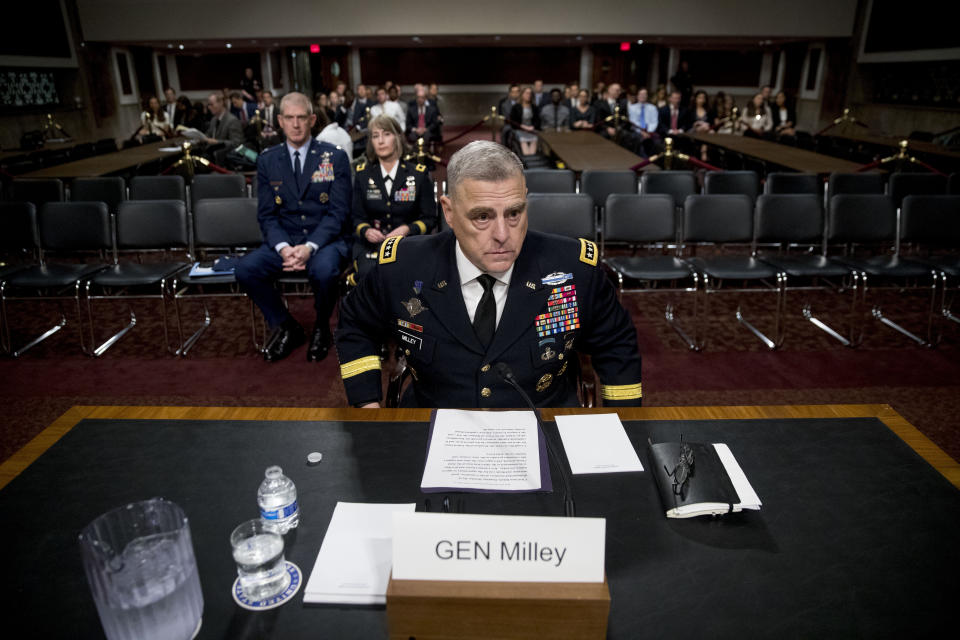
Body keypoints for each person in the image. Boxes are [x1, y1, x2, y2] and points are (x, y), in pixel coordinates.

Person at [335, 140, 643, 408]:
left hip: (543, 422)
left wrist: (623, 423)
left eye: (514, 213)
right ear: (449, 211)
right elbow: (355, 324)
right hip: (433, 421)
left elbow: (617, 342)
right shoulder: (402, 267)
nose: (502, 235)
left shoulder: (574, 269)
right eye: (482, 216)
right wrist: (366, 403)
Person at [235, 92, 351, 363]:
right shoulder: (267, 160)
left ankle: (322, 326)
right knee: (245, 269)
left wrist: (310, 247)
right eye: (290, 118)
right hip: (284, 241)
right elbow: (266, 215)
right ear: (280, 121)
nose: (296, 124)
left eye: (301, 118)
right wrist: (285, 248)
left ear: (312, 120)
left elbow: (338, 213)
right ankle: (288, 326)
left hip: (324, 241)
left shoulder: (334, 157)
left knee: (325, 271)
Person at [351, 114, 436, 281]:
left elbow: (430, 218)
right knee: (369, 276)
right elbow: (356, 217)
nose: (381, 141)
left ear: (398, 137)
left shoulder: (418, 174)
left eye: (387, 134)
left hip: (409, 245)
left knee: (407, 277)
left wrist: (407, 229)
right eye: (375, 136)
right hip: (371, 248)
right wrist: (366, 230)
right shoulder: (362, 174)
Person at [509, 86, 540, 155]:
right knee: (526, 152)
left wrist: (532, 127)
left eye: (530, 93)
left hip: (531, 131)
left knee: (532, 150)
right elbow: (512, 122)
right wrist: (522, 126)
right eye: (527, 93)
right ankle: (527, 162)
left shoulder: (534, 107)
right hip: (520, 130)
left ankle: (532, 163)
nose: (529, 95)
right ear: (522, 94)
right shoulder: (516, 107)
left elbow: (538, 121)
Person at [627, 87, 658, 155]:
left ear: (647, 96)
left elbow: (654, 122)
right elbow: (633, 122)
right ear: (637, 96)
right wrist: (642, 132)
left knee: (656, 143)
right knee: (638, 141)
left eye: (644, 94)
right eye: (641, 94)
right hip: (637, 131)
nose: (643, 96)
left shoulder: (653, 108)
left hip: (650, 132)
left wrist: (649, 132)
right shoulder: (632, 108)